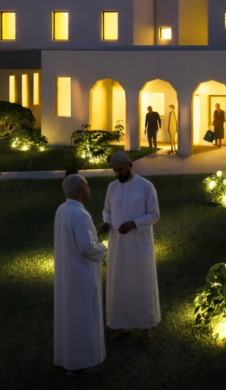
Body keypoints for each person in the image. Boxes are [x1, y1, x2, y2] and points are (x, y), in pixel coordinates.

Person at [102, 151, 161, 344]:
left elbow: (154, 214)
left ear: (130, 165)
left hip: (139, 245)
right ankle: (122, 326)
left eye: (120, 169)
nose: (117, 173)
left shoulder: (146, 186)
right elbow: (107, 210)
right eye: (115, 170)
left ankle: (146, 328)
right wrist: (106, 222)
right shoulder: (112, 187)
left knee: (141, 282)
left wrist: (135, 223)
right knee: (119, 283)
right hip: (118, 245)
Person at [54, 174, 106, 377]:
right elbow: (86, 246)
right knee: (84, 317)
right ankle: (82, 364)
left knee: (70, 317)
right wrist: (102, 248)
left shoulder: (62, 209)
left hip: (67, 274)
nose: (89, 190)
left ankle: (70, 360)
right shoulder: (80, 214)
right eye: (88, 187)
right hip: (82, 274)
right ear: (80, 190)